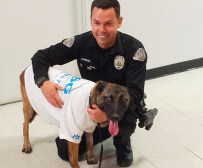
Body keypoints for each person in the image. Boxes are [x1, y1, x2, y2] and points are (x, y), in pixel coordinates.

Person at [31, 0, 147, 167]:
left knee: (127, 121)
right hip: (91, 105)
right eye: (97, 23)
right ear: (90, 20)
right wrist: (43, 83)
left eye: (109, 24)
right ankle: (101, 130)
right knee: (65, 151)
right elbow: (40, 57)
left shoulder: (134, 49)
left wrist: (106, 115)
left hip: (121, 105)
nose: (101, 30)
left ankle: (122, 144)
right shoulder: (81, 43)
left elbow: (135, 94)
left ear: (119, 22)